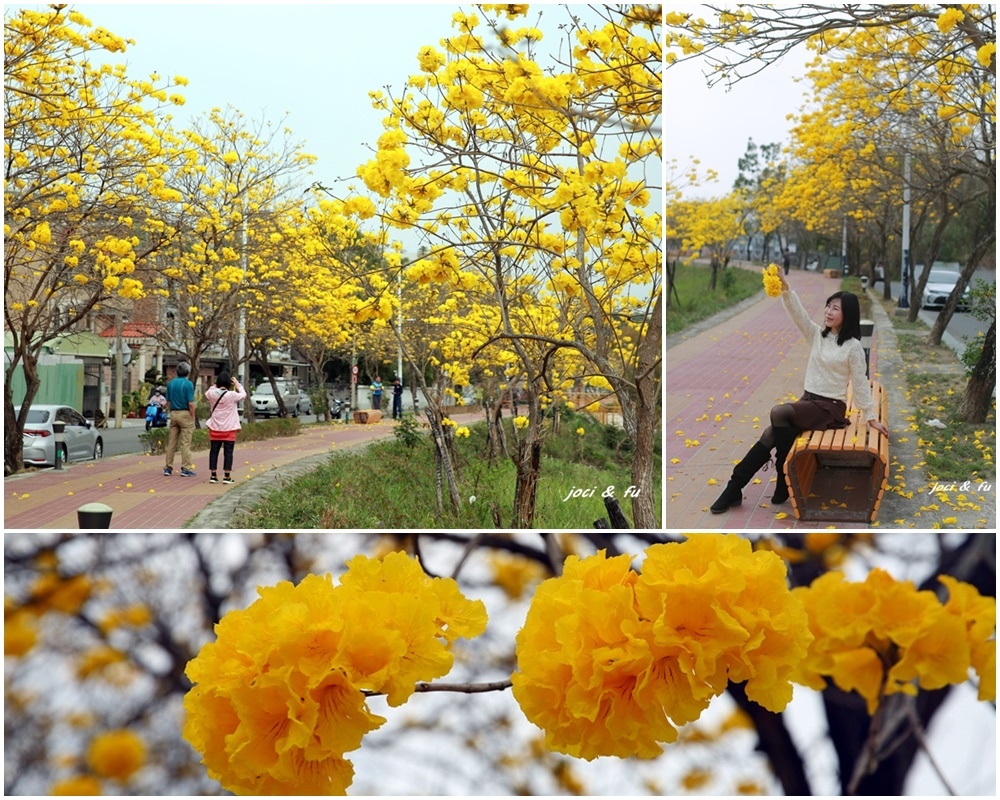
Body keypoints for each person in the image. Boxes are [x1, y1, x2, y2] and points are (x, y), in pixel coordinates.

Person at [710, 273, 890, 514]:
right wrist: (786, 290)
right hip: (808, 403)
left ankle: (781, 479)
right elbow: (799, 315)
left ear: (847, 314)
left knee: (779, 412)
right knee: (770, 432)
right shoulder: (817, 335)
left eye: (835, 308)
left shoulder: (853, 347)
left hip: (830, 408)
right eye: (828, 306)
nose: (828, 311)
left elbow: (859, 382)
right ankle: (735, 488)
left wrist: (870, 417)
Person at [205, 372, 246, 485]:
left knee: (214, 451)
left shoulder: (212, 394)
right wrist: (237, 384)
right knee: (228, 452)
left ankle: (213, 475)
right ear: (229, 383)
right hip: (229, 429)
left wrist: (215, 385)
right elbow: (243, 395)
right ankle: (227, 476)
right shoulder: (232, 395)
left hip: (215, 428)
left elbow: (208, 392)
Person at [164, 362, 197, 477]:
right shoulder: (188, 384)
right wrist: (192, 416)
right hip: (185, 413)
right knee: (185, 443)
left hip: (173, 413)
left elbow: (167, 402)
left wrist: (171, 411)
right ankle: (185, 468)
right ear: (187, 372)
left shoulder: (170, 384)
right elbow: (191, 403)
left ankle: (168, 468)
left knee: (171, 442)